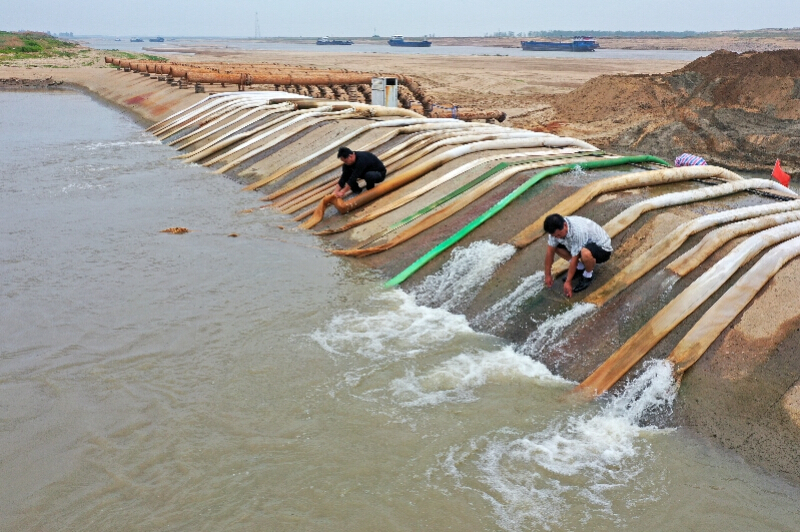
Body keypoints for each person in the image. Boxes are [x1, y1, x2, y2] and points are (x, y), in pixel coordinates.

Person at [543, 213, 613, 298]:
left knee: (585, 253)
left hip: (602, 249)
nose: (557, 237)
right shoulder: (555, 231)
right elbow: (550, 252)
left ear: (565, 225)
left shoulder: (578, 231)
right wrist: (547, 275)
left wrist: (568, 282)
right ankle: (580, 268)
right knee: (555, 247)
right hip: (581, 245)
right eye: (555, 236)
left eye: (558, 235)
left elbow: (574, 259)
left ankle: (588, 275)